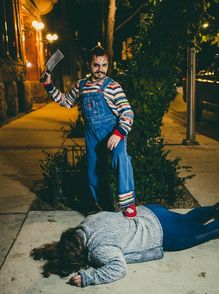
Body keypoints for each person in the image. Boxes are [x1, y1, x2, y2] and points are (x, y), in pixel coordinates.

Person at [41, 45, 136, 218]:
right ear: (89, 65)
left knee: (121, 159)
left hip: (113, 131)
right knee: (94, 172)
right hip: (92, 134)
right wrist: (49, 85)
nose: (100, 70)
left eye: (104, 65)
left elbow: (128, 112)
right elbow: (66, 102)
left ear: (108, 65)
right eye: (96, 65)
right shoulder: (81, 85)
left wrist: (119, 133)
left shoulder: (113, 86)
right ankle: (101, 208)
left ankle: (128, 205)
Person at [30, 203, 219, 287]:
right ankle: (214, 208)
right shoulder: (87, 221)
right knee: (188, 220)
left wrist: (90, 277)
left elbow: (118, 269)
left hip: (162, 233)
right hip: (150, 211)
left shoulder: (98, 251)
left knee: (206, 233)